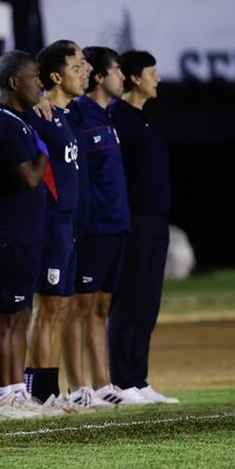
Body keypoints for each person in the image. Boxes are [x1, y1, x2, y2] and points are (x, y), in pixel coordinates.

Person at [0, 51, 55, 419]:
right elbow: (30, 178)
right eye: (35, 76)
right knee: (4, 316)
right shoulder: (0, 124)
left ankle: (18, 392)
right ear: (13, 82)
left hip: (24, 232)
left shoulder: (16, 120)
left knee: (21, 313)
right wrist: (43, 152)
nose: (40, 83)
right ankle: (3, 395)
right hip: (5, 233)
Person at [69, 48, 141, 407]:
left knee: (100, 309)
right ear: (99, 76)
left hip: (116, 226)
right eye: (116, 71)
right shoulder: (78, 114)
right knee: (79, 309)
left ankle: (102, 385)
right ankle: (77, 387)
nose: (123, 78)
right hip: (93, 229)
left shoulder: (106, 117)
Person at [108, 50, 178, 404]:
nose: (158, 79)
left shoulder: (144, 119)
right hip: (132, 221)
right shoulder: (117, 117)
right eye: (153, 72)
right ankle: (121, 382)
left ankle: (139, 378)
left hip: (155, 221)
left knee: (148, 303)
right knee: (129, 301)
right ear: (135, 77)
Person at [25, 41, 86, 408]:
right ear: (55, 76)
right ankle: (38, 391)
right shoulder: (40, 115)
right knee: (45, 308)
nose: (84, 72)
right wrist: (35, 99)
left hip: (68, 225)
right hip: (48, 223)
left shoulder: (65, 115)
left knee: (60, 308)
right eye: (76, 66)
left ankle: (50, 388)